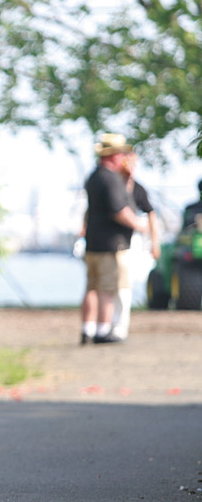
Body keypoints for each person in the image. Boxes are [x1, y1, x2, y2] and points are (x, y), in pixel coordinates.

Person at [79, 134, 149, 345]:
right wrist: (139, 225)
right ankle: (103, 330)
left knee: (92, 287)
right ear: (112, 156)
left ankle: (87, 329)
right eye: (121, 154)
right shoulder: (110, 179)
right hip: (111, 245)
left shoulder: (93, 177)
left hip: (93, 243)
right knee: (107, 289)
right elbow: (118, 210)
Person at [101, 150, 159, 342]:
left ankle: (119, 327)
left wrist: (154, 241)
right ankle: (106, 325)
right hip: (109, 242)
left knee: (123, 285)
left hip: (128, 243)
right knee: (109, 286)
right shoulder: (111, 185)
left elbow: (151, 213)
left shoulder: (138, 189)